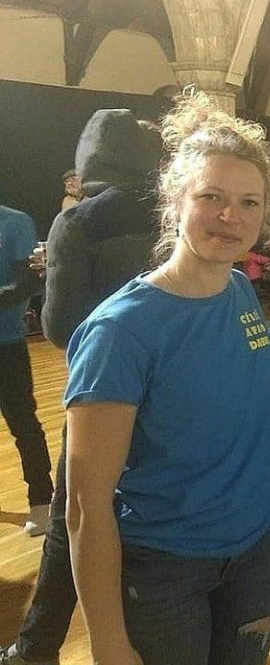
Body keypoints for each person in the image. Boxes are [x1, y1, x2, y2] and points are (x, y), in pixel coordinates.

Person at [63, 90, 270, 665]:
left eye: (249, 202)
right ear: (175, 200)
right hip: (165, 570)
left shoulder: (238, 290)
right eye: (211, 196)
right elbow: (85, 506)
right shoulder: (121, 331)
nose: (231, 216)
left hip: (253, 554)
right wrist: (108, 642)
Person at [1, 109, 162, 665]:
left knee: (77, 516)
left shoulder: (77, 223)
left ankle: (39, 644)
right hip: (177, 388)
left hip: (106, 393)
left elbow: (61, 325)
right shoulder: (173, 211)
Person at [0, 202, 52, 537]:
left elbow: (26, 284)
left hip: (6, 343)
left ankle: (41, 500)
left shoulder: (15, 222)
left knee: (23, 423)